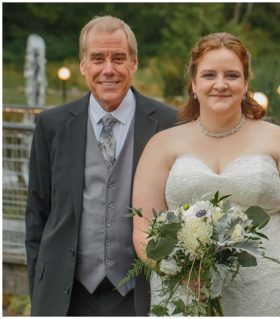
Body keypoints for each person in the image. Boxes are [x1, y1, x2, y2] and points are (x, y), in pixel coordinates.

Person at [130, 32, 280, 316]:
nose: (220, 84)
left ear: (245, 84)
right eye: (209, 75)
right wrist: (179, 270)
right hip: (185, 296)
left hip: (270, 296)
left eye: (231, 75)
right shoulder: (162, 145)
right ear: (194, 84)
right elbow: (144, 230)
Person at [24, 16, 178, 316]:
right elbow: (37, 216)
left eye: (118, 58)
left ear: (134, 63)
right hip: (68, 295)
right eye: (98, 58)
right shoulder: (51, 124)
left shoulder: (168, 122)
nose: (108, 69)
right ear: (83, 65)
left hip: (140, 294)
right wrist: (41, 290)